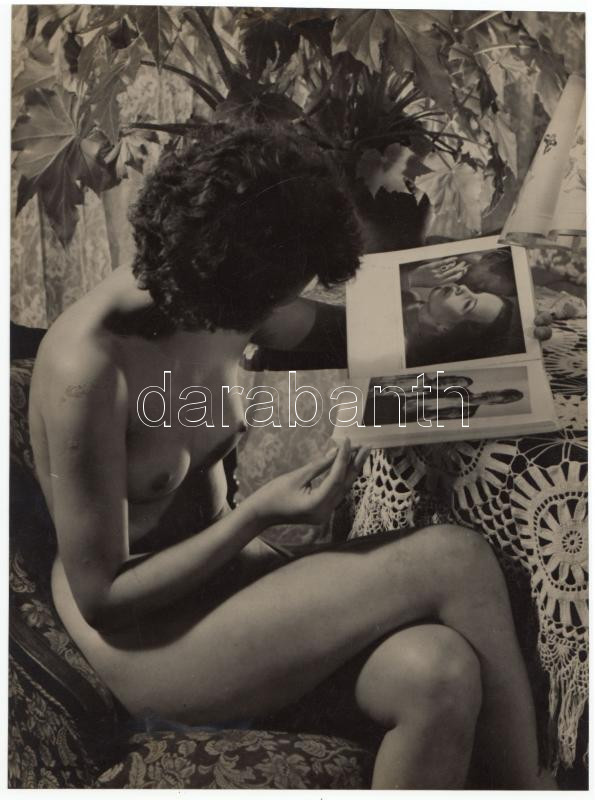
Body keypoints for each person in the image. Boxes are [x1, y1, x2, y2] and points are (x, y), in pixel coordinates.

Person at [29, 123, 555, 790]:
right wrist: (258, 516)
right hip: (141, 639)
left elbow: (355, 333)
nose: (283, 309)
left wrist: (500, 321)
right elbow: (102, 599)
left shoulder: (220, 288)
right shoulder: (89, 369)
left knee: (437, 670)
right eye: (281, 295)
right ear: (234, 279)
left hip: (226, 587)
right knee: (454, 557)